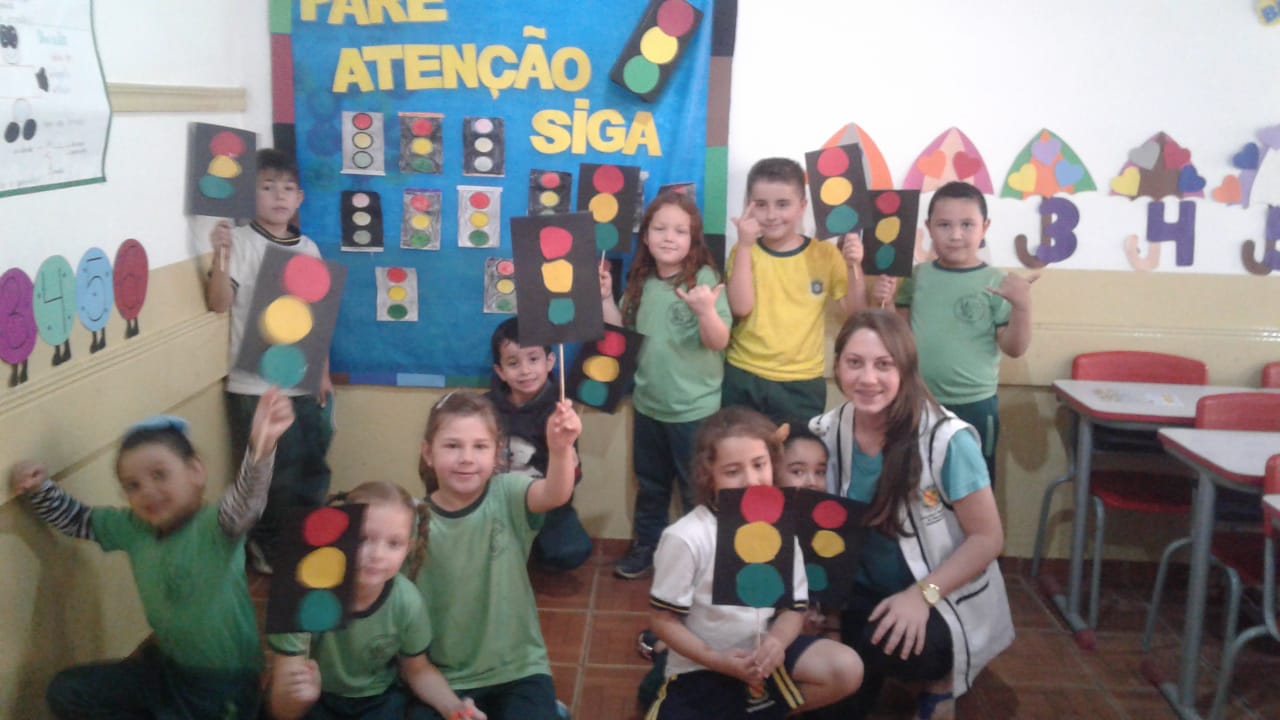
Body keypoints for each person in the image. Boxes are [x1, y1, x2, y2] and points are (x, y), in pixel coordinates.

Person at [9, 389, 296, 719]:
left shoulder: (217, 527)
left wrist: (261, 448)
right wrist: (38, 488)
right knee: (66, 691)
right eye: (132, 485)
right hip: (166, 672)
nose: (147, 491)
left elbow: (247, 501)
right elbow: (78, 520)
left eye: (160, 475)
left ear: (196, 472)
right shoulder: (132, 527)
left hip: (225, 685)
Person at [809, 310, 1013, 720]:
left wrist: (922, 596)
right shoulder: (825, 431)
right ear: (837, 366)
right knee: (830, 698)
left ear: (905, 368)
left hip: (938, 593)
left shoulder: (946, 439)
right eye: (854, 362)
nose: (868, 378)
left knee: (893, 647)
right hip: (860, 592)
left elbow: (988, 539)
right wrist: (823, 614)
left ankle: (939, 682)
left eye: (884, 364)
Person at [645, 406, 863, 719]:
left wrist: (777, 642)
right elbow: (662, 619)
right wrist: (717, 660)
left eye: (759, 465)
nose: (751, 480)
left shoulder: (781, 528)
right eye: (733, 471)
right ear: (708, 475)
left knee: (846, 667)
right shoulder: (686, 536)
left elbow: (794, 608)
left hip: (762, 664)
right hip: (700, 668)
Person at [206, 147, 334, 574]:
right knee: (271, 474)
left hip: (302, 378)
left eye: (288, 188)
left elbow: (315, 316)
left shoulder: (308, 247)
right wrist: (220, 255)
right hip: (255, 383)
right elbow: (219, 302)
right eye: (267, 187)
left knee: (311, 464)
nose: (279, 196)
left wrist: (322, 371)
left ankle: (303, 540)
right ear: (250, 193)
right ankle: (267, 546)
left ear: (300, 198)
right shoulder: (241, 242)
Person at [414, 392, 581, 719]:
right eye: (452, 446)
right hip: (446, 676)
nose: (466, 458)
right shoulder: (413, 521)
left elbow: (555, 493)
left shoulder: (508, 492)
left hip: (518, 669)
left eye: (480, 446)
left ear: (497, 453)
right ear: (428, 453)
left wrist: (560, 449)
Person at [267, 481, 484, 720]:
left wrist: (453, 707)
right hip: (319, 698)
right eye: (363, 539)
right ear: (339, 536)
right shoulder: (304, 594)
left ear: (408, 548)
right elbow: (282, 710)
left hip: (378, 701)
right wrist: (301, 698)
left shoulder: (406, 601)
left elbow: (417, 669)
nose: (377, 555)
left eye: (394, 544)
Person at [599, 190, 732, 580]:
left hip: (695, 412)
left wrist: (705, 311)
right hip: (648, 407)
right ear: (646, 235)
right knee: (651, 486)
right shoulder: (640, 281)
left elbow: (718, 341)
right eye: (660, 229)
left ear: (693, 239)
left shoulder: (704, 281)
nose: (669, 237)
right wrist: (605, 297)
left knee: (696, 490)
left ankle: (700, 558)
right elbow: (621, 332)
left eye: (680, 230)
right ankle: (648, 546)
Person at [873, 180, 1037, 485]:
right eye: (944, 225)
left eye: (967, 225)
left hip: (975, 405)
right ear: (929, 228)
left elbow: (1015, 348)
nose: (956, 235)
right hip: (918, 400)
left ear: (985, 227)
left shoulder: (997, 282)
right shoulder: (917, 277)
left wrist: (1022, 306)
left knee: (972, 485)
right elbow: (899, 338)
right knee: (915, 484)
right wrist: (887, 301)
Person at [723, 157, 866, 429]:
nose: (771, 215)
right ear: (748, 205)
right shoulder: (743, 250)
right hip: (744, 373)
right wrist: (744, 247)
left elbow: (856, 315)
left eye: (782, 204)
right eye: (761, 204)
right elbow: (741, 307)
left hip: (801, 382)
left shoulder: (824, 254)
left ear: (802, 206)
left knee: (796, 453)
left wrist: (853, 265)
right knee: (740, 450)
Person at [485, 318, 592, 572]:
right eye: (513, 363)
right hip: (499, 501)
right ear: (500, 371)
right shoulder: (486, 409)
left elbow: (571, 480)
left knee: (571, 550)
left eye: (533, 359)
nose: (525, 370)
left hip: (546, 503)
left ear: (550, 362)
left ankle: (534, 551)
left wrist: (566, 454)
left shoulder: (561, 411)